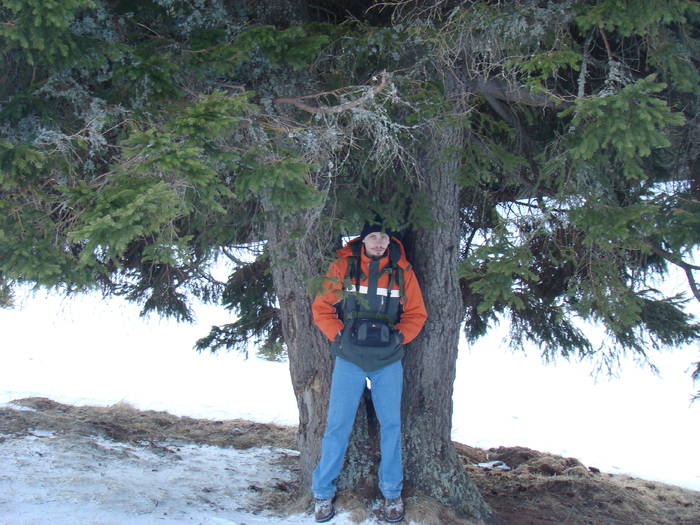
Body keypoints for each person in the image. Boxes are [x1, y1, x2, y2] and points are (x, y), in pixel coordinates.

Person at [310, 220, 428, 523]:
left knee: (391, 427)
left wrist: (399, 338)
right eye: (373, 237)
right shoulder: (344, 266)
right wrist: (339, 336)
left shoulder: (403, 271)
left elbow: (417, 313)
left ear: (390, 242)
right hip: (349, 357)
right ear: (362, 240)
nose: (378, 242)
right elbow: (322, 307)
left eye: (384, 238)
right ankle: (322, 493)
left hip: (388, 360)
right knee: (337, 426)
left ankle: (392, 493)